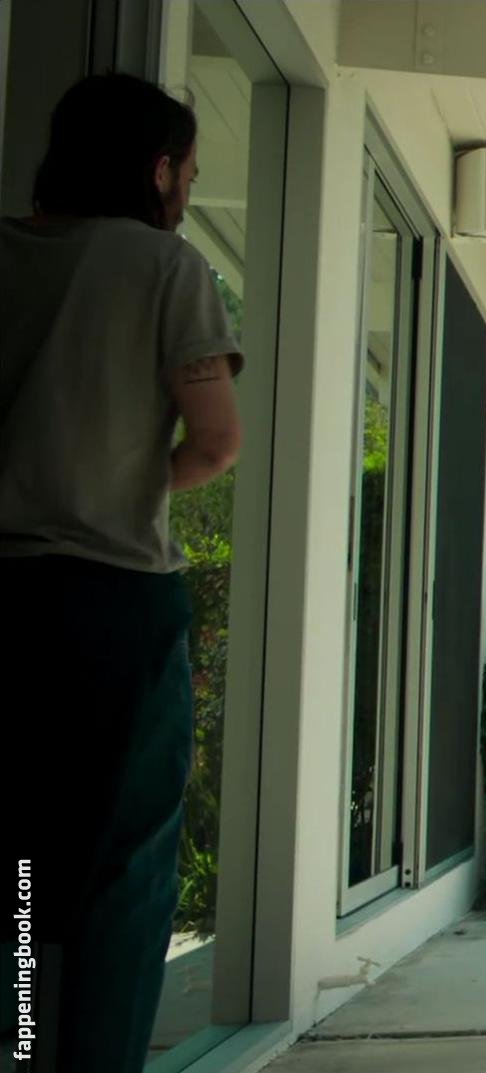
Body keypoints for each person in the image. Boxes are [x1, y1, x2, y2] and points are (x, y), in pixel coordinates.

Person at [2, 74, 241, 1072]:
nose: (187, 192)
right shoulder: (165, 266)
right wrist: (131, 478)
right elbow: (215, 441)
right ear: (158, 169)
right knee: (125, 870)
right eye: (188, 172)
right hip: (115, 602)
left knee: (15, 860)